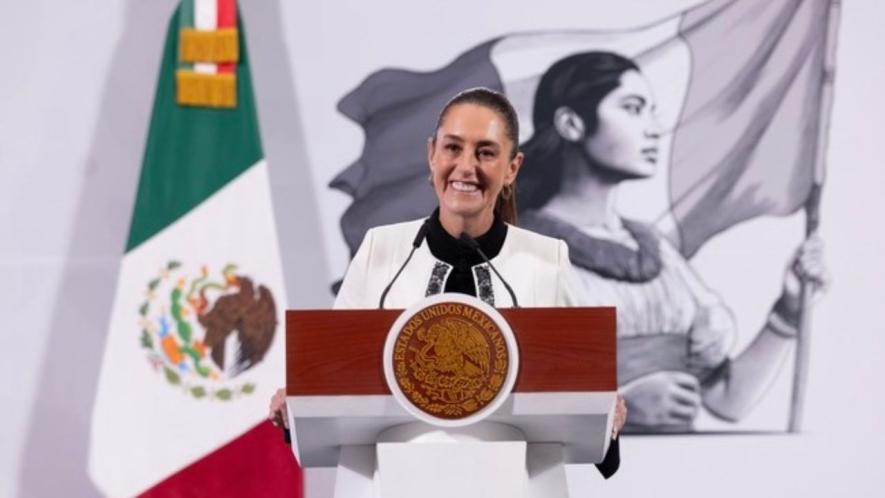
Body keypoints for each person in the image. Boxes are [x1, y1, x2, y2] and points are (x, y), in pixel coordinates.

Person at [269, 87, 627, 477]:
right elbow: (335, 380)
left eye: (486, 152)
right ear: (431, 155)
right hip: (397, 481)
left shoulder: (547, 260)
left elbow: (583, 387)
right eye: (452, 148)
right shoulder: (380, 251)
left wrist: (608, 410)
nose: (466, 166)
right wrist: (301, 402)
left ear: (512, 168)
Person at [517, 51, 828, 432]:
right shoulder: (522, 252)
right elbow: (500, 414)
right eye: (632, 108)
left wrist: (788, 310)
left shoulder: (657, 251)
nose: (652, 129)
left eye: (651, 111)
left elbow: (727, 400)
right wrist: (620, 407)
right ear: (571, 123)